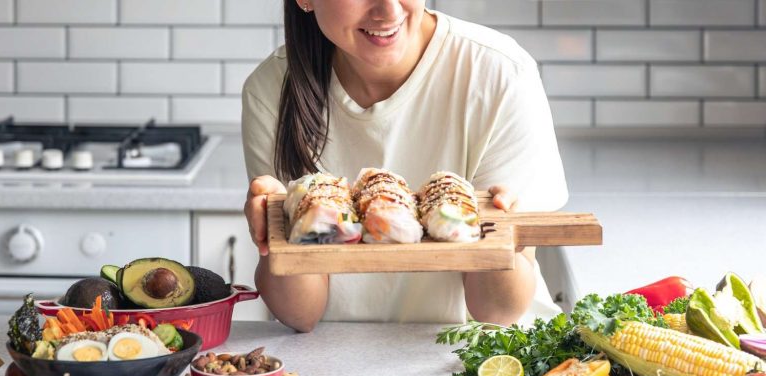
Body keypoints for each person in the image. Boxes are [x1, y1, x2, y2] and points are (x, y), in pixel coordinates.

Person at [241, 0, 568, 333]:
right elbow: (301, 314)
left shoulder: (499, 73)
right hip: (339, 358)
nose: (389, 10)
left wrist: (501, 238)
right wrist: (275, 236)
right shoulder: (272, 90)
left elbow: (497, 311)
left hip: (483, 354)